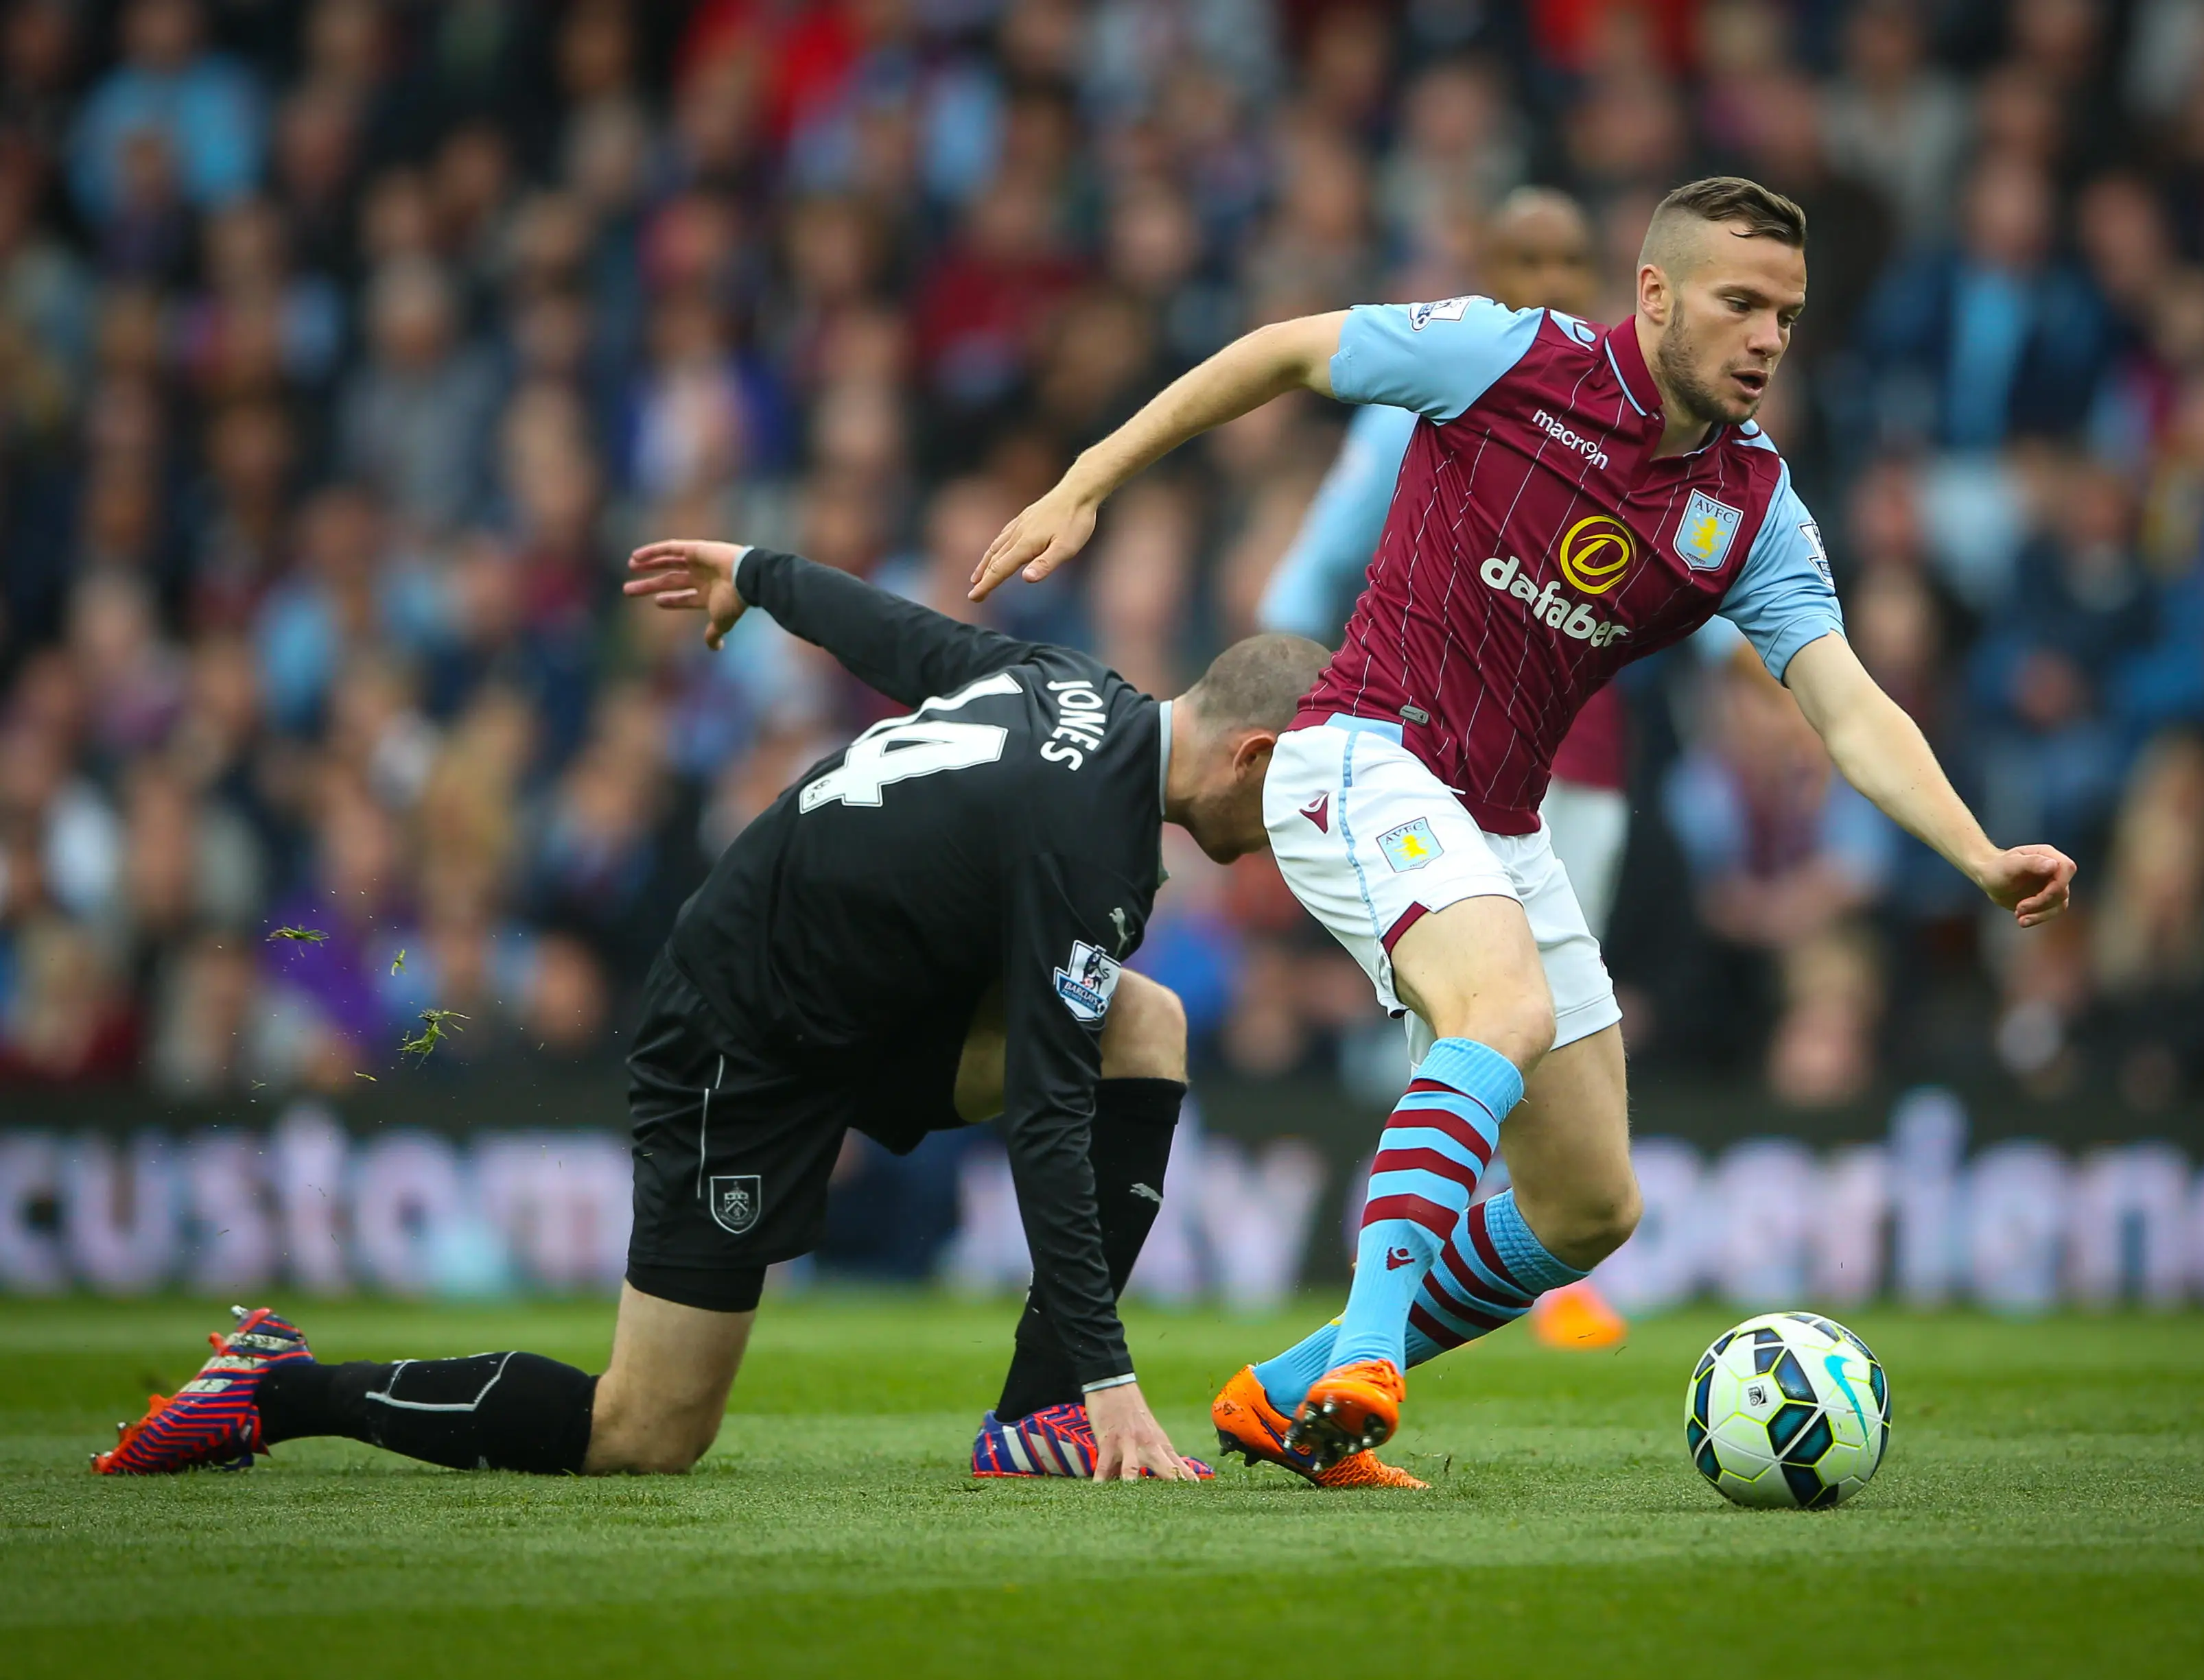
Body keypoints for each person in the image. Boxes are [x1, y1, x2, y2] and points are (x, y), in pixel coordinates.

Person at [970, 176, 2076, 1486]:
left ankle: (1283, 1394)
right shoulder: (1507, 356)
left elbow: (1845, 706)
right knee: (1503, 1012)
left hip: (1503, 820)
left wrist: (1975, 850)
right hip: (1362, 752)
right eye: (1739, 303)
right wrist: (1087, 481)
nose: (1768, 337)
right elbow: (1283, 350)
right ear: (1654, 294)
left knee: (1590, 1203)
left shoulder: (1754, 509)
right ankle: (1367, 1356)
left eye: (1785, 311)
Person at [93, 540, 1330, 1485]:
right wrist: (1122, 1381)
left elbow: (909, 643)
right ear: (1254, 758)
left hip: (857, 1003)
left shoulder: (1076, 685)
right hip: (744, 1039)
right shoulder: (1095, 845)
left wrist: (762, 573)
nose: (1288, 843)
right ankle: (281, 1389)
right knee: (645, 1432)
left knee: (1145, 1023)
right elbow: (1050, 1123)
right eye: (1299, 805)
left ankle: (1031, 1419)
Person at [1254, 185, 1631, 1353]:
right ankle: (1375, 1312)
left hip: (1578, 782)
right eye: (1524, 256)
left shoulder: (1641, 430)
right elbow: (1300, 577)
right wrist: (1355, 699)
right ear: (1482, 264)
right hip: (1414, 755)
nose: (1549, 280)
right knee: (1473, 1014)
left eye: (1569, 258)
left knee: (1538, 1044)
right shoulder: (1437, 390)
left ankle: (1510, 1266)